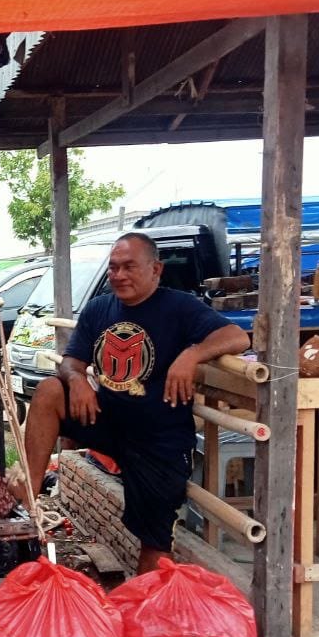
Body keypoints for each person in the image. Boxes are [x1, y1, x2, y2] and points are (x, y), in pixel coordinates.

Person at [23, 233, 250, 574]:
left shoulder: (179, 306)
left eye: (129, 267)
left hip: (159, 439)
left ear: (156, 269)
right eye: (113, 268)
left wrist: (192, 354)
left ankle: (146, 600)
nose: (119, 275)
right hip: (108, 420)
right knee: (49, 391)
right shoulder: (100, 308)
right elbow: (71, 361)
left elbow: (237, 336)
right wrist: (77, 379)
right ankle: (28, 499)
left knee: (154, 547)